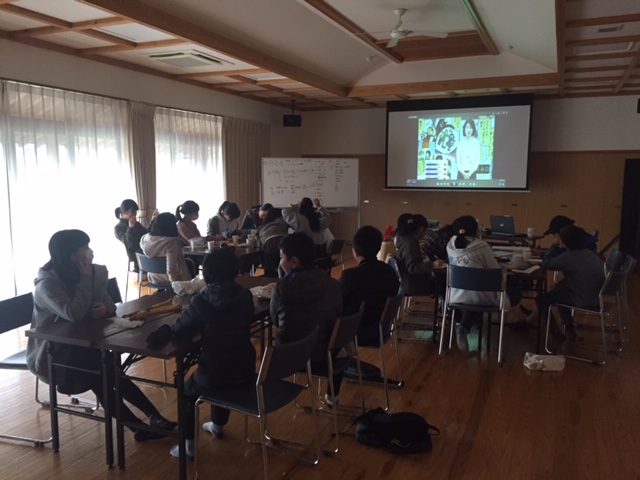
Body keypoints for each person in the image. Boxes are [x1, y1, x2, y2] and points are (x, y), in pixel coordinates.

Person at [26, 229, 176, 442]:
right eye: (85, 248)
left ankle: (151, 418)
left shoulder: (89, 272)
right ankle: (138, 425)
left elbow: (109, 303)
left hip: (84, 346)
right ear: (71, 254)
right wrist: (85, 279)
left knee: (110, 371)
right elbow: (74, 313)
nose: (90, 252)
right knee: (101, 375)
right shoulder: (48, 284)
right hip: (54, 356)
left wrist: (105, 309)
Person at [146, 249, 256, 459]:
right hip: (245, 369)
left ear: (207, 273)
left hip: (215, 373)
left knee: (187, 392)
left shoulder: (202, 301)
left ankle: (188, 447)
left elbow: (180, 329)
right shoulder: (245, 295)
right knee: (224, 373)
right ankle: (217, 425)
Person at [270, 232, 342, 405]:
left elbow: (275, 321)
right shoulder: (332, 283)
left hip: (292, 357)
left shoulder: (282, 289)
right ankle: (332, 395)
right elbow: (338, 313)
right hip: (328, 354)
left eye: (281, 258)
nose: (280, 262)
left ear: (294, 262)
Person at [446, 215, 520, 352]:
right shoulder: (482, 246)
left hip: (455, 295)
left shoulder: (450, 245)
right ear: (475, 230)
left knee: (474, 294)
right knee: (512, 293)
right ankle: (464, 326)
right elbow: (495, 271)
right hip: (480, 295)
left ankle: (463, 325)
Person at [537, 225, 605, 350]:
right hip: (599, 298)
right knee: (560, 292)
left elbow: (546, 263)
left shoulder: (569, 257)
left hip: (585, 300)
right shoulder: (590, 254)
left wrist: (554, 245)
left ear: (564, 241)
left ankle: (556, 333)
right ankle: (569, 329)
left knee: (542, 299)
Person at [339, 226, 400, 346]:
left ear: (356, 252)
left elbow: (338, 302)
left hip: (356, 330)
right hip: (383, 329)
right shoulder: (389, 271)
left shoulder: (350, 276)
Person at [394, 214, 443, 296]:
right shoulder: (410, 243)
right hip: (414, 286)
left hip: (408, 282)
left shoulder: (402, 239)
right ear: (421, 229)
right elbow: (413, 268)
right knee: (440, 284)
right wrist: (432, 265)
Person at [140, 212, 194, 283]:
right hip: (169, 279)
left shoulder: (145, 239)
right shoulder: (171, 243)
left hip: (152, 277)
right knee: (191, 264)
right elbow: (171, 269)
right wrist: (175, 283)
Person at [114, 199, 154, 272]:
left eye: (136, 212)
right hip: (136, 256)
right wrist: (130, 228)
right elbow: (128, 243)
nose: (135, 214)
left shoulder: (136, 224)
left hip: (146, 250)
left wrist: (153, 221)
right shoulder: (118, 228)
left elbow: (147, 233)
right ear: (124, 212)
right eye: (133, 212)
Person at [256, 207, 288, 277]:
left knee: (269, 266)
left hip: (268, 242)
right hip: (282, 240)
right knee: (281, 264)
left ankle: (269, 278)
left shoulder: (262, 226)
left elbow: (258, 243)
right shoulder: (282, 221)